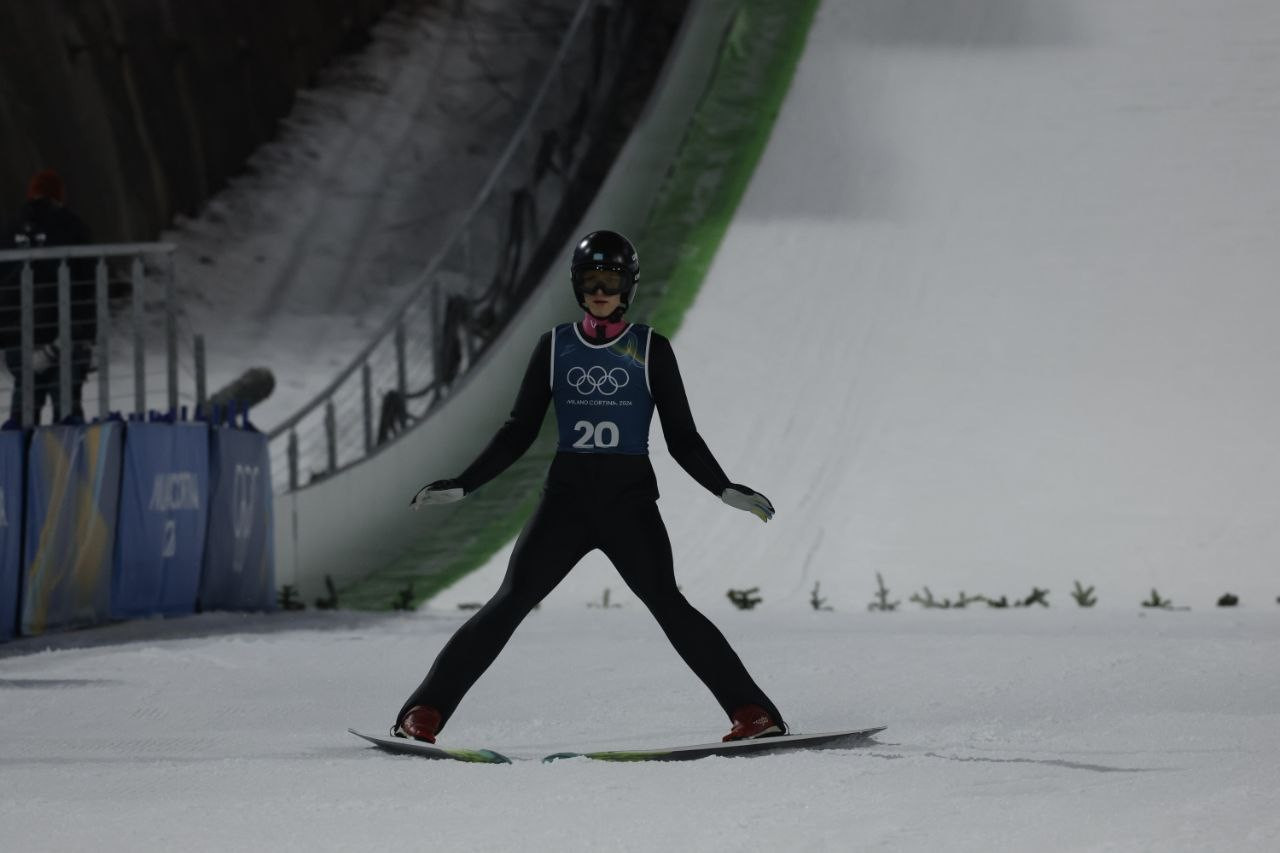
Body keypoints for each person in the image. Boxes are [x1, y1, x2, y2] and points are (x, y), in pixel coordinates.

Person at [396, 230, 787, 744]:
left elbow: (683, 438)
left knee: (668, 604)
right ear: (577, 286)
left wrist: (723, 487)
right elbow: (517, 431)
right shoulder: (555, 346)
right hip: (567, 502)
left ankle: (754, 713)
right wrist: (465, 484)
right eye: (590, 280)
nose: (600, 291)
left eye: (611, 281)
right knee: (510, 601)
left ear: (628, 287)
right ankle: (423, 711)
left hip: (629, 503)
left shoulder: (650, 348)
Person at [0, 169, 95, 424]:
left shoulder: (9, 229)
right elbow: (87, 283)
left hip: (18, 338)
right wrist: (85, 334)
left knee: (23, 410)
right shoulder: (73, 226)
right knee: (67, 413)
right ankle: (67, 448)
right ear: (59, 196)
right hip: (63, 337)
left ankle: (17, 447)